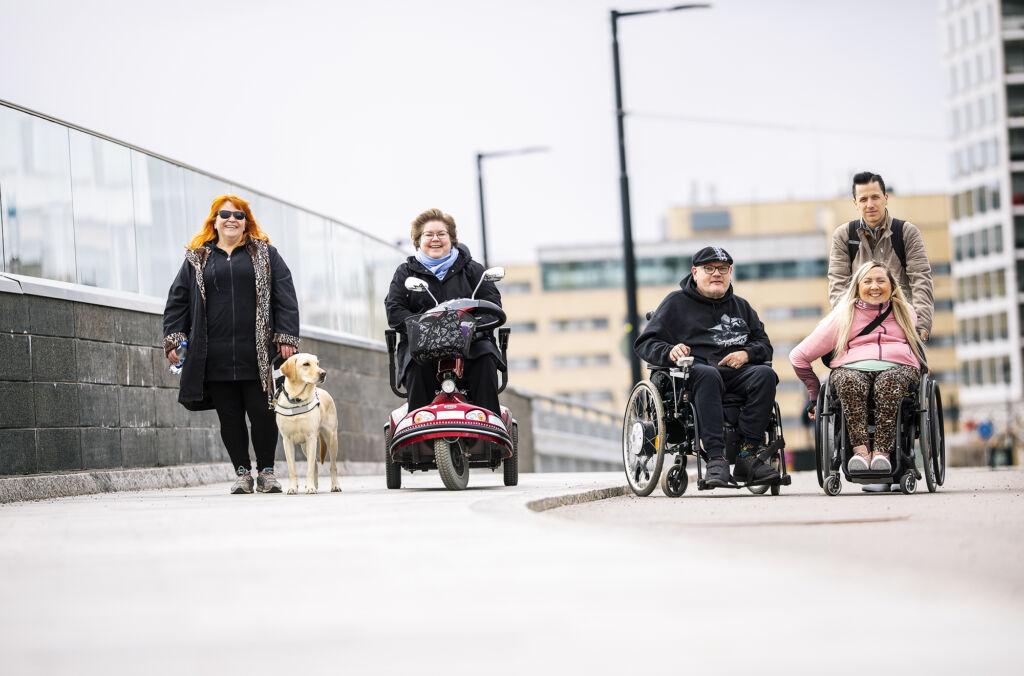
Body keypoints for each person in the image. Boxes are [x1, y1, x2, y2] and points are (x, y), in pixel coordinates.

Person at [163, 195, 300, 495]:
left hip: (258, 352)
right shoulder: (196, 260)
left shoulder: (266, 255)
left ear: (246, 222)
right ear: (214, 220)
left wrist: (287, 337)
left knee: (262, 413)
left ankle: (266, 472)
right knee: (229, 415)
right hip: (215, 353)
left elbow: (285, 296)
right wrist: (175, 337)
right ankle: (242, 473)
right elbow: (178, 302)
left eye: (239, 216)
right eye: (225, 214)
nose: (231, 220)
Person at [634, 246, 779, 488]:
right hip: (691, 376)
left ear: (730, 272)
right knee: (707, 374)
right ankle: (716, 458)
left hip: (735, 374)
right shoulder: (675, 303)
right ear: (695, 272)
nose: (716, 274)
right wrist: (670, 352)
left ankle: (747, 455)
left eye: (722, 269)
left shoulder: (741, 307)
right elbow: (645, 343)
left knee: (765, 374)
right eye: (709, 269)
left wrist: (746, 353)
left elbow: (764, 345)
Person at [791, 260, 925, 473]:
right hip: (853, 369)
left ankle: (882, 453)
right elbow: (798, 356)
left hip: (899, 368)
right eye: (868, 281)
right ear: (858, 286)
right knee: (849, 380)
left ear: (891, 285)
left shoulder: (905, 311)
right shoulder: (843, 315)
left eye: (881, 281)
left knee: (889, 381)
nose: (875, 286)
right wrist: (814, 394)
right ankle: (861, 452)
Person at [384, 208, 504, 415]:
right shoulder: (406, 273)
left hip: (470, 344)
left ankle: (489, 431)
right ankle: (419, 436)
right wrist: (424, 328)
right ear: (418, 240)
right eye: (428, 235)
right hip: (423, 347)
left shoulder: (472, 270)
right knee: (417, 367)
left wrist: (470, 327)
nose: (435, 239)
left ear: (451, 238)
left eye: (441, 234)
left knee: (484, 360)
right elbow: (394, 310)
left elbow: (492, 304)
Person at [828, 171, 934, 343]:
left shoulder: (906, 232)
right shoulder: (844, 235)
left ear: (885, 198)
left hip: (902, 324)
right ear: (855, 203)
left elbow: (921, 279)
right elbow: (838, 285)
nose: (870, 204)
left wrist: (921, 325)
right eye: (863, 199)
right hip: (859, 327)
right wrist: (846, 325)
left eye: (875, 197)